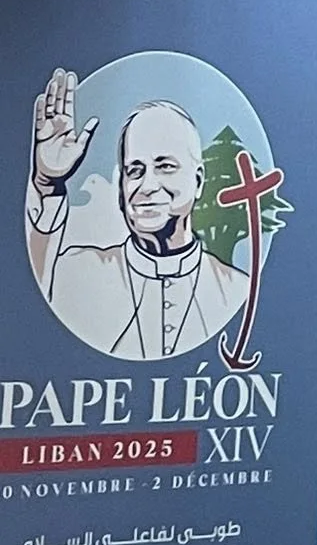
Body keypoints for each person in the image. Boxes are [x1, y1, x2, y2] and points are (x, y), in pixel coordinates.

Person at [26, 70, 247, 359]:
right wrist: (47, 183)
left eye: (165, 166)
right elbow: (29, 298)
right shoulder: (74, 273)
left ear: (197, 181)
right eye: (135, 170)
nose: (147, 186)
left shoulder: (237, 291)